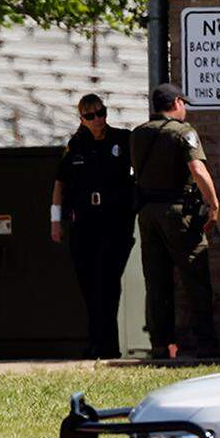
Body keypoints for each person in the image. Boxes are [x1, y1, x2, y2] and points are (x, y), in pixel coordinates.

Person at [131, 84, 220, 359]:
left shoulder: (137, 134)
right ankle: (206, 344)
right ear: (177, 102)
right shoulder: (184, 132)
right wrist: (213, 204)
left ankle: (160, 344)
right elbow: (198, 169)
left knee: (156, 280)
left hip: (147, 212)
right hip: (179, 212)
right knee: (195, 277)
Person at [51, 94, 135, 358]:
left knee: (108, 282)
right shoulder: (76, 145)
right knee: (89, 283)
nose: (98, 119)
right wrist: (56, 220)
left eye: (101, 113)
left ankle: (109, 344)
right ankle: (97, 342)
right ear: (82, 119)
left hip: (114, 221)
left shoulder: (122, 140)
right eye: (91, 116)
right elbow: (59, 184)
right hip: (84, 222)